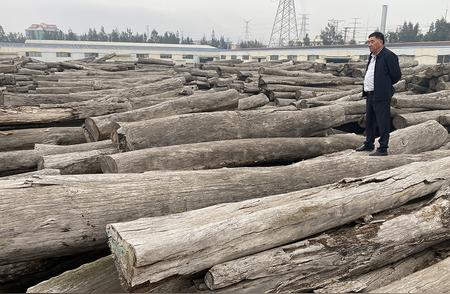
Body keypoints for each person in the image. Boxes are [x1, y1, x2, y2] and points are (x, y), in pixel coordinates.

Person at [355, 32, 402, 156]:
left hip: (381, 94)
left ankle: (383, 148)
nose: (369, 44)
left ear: (381, 42)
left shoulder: (389, 56)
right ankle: (369, 143)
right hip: (370, 94)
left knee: (382, 121)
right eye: (368, 42)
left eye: (372, 41)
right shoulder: (372, 56)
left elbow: (396, 76)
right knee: (369, 120)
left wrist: (383, 85)